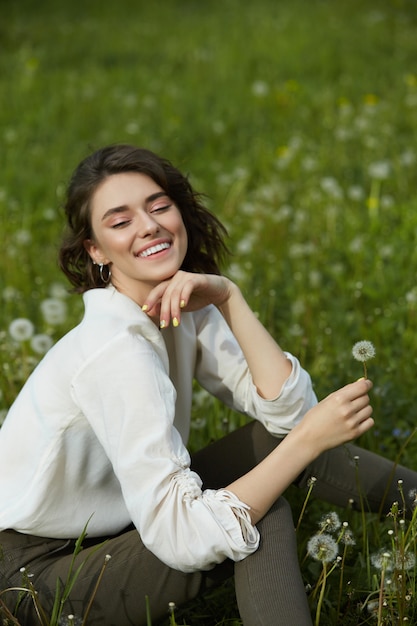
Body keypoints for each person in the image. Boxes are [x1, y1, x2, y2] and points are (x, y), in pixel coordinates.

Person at [0, 144, 415, 626]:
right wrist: (306, 442)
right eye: (120, 221)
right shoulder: (115, 351)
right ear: (95, 251)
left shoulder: (180, 303)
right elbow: (182, 537)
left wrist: (229, 297)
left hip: (114, 526)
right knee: (262, 511)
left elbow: (289, 416)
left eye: (158, 207)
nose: (149, 225)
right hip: (33, 573)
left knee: (270, 449)